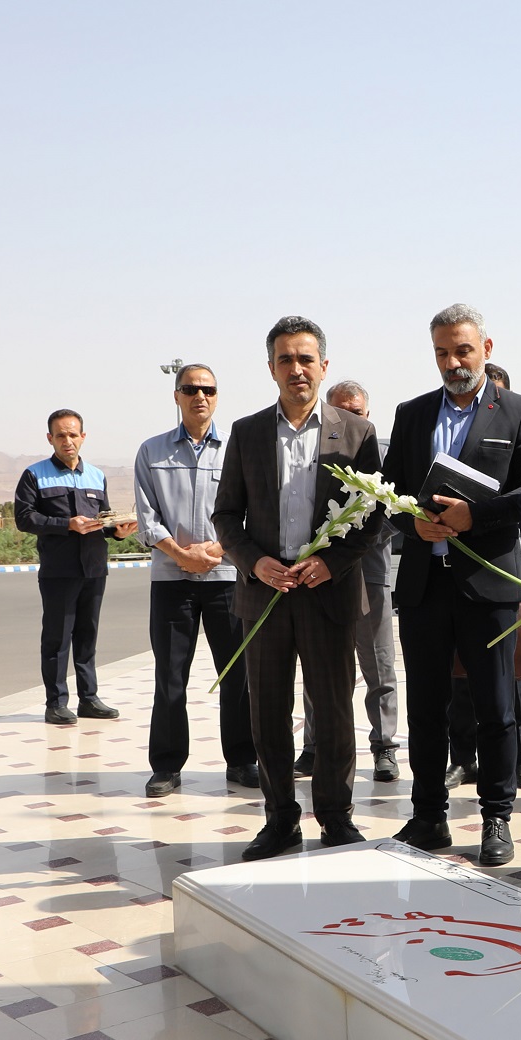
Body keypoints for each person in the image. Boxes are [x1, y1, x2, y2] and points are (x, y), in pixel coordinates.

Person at [212, 316, 384, 860]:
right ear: (271, 368)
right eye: (285, 359)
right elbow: (226, 515)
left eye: (306, 358)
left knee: (332, 711)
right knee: (267, 712)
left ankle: (336, 817)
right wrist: (254, 562)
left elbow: (372, 516)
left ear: (323, 366)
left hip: (328, 593)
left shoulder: (355, 433)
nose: (296, 369)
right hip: (265, 593)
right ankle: (280, 819)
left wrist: (332, 563)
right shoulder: (247, 432)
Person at [383, 304, 521, 865]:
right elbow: (388, 494)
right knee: (426, 707)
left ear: (486, 348)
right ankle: (428, 816)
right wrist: (414, 524)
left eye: (463, 350)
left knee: (496, 707)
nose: (453, 362)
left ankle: (497, 817)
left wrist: (476, 516)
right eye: (442, 353)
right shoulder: (411, 414)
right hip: (424, 586)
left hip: (488, 586)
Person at [133, 363, 258, 798]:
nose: (199, 396)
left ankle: (241, 760)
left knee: (237, 675)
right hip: (172, 580)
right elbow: (147, 517)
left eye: (207, 389)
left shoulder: (238, 448)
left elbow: (251, 513)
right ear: (176, 396)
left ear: (217, 397)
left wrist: (218, 550)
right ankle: (166, 766)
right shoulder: (151, 451)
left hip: (228, 578)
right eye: (189, 389)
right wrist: (181, 554)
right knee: (170, 677)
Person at [297, 379, 400, 785]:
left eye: (355, 412)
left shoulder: (384, 455)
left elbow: (394, 515)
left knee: (379, 666)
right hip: (320, 577)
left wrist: (351, 537)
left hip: (368, 575)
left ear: (367, 414)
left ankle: (384, 746)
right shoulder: (315, 452)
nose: (349, 418)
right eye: (340, 411)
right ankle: (314, 746)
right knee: (317, 666)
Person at [447, 360, 521, 792]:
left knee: (514, 679)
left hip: (507, 578)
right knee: (460, 680)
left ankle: (520, 760)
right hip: (457, 577)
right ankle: (463, 759)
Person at [15, 410, 136, 725]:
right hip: (59, 570)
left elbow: (103, 519)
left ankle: (89, 699)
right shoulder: (34, 475)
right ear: (50, 438)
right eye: (60, 435)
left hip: (94, 568)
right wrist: (66, 524)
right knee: (57, 638)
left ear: (83, 437)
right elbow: (25, 518)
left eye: (72, 434)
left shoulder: (96, 475)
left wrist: (117, 531)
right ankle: (56, 703)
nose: (67, 441)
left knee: (87, 635)